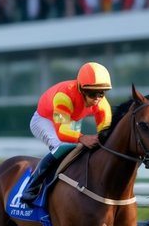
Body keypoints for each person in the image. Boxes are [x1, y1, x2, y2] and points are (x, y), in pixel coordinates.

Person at [19, 62, 114, 205]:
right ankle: (32, 186)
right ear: (81, 89)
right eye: (92, 93)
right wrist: (82, 137)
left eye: (101, 92)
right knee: (61, 146)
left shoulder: (102, 103)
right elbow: (62, 132)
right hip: (45, 120)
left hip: (70, 119)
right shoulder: (64, 96)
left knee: (82, 149)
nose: (97, 98)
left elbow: (105, 132)